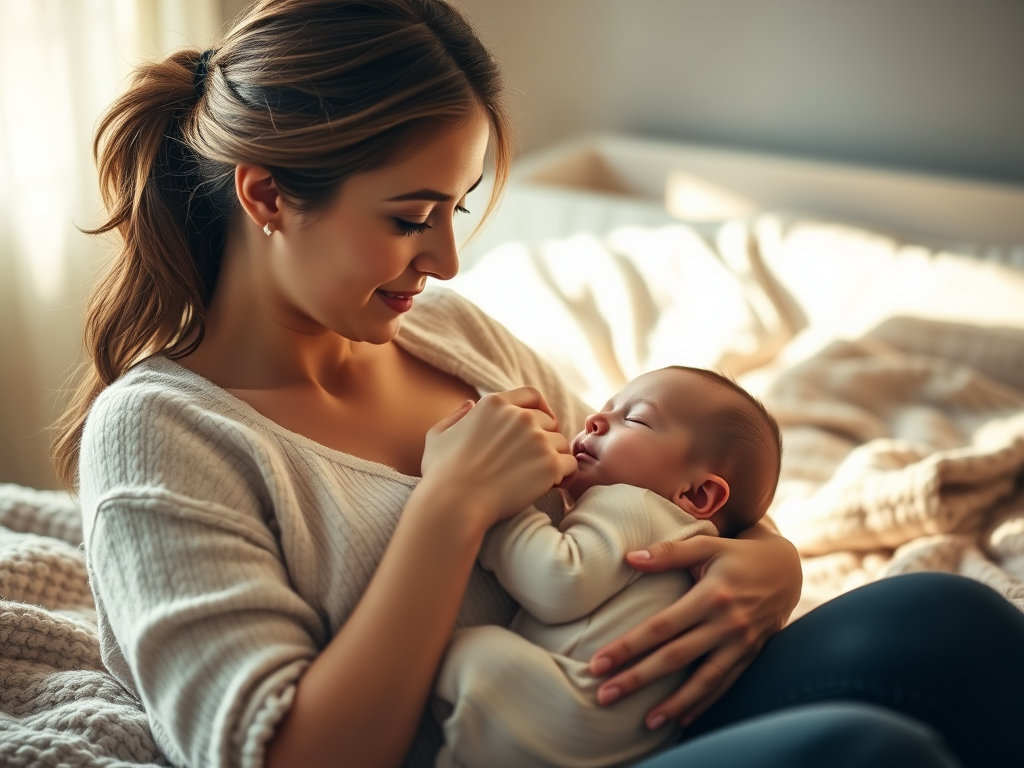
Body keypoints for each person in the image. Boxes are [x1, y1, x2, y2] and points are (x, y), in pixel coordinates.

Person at [50, 1, 1024, 767]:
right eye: (408, 216)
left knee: (948, 616)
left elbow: (660, 480)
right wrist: (451, 511)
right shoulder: (163, 438)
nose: (445, 258)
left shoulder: (448, 336)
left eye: (456, 209)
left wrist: (766, 568)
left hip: (630, 717)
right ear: (266, 195)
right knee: (867, 753)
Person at [434, 365, 782, 768]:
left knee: (468, 649)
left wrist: (496, 504)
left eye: (635, 418)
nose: (593, 420)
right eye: (606, 407)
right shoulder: (696, 541)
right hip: (621, 741)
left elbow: (560, 581)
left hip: (566, 714)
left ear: (697, 493)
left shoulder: (634, 504)